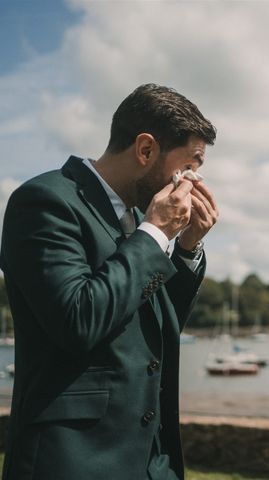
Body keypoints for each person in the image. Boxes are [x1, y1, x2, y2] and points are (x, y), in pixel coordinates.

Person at [0, 83, 218, 480]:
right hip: (74, 459)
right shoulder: (46, 201)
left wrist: (186, 247)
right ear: (146, 149)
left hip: (152, 464)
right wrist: (154, 234)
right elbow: (78, 320)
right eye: (189, 167)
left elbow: (157, 327)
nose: (193, 183)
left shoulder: (139, 219)